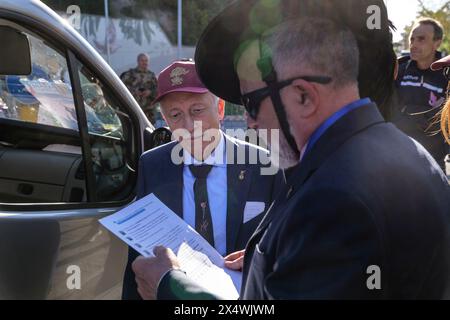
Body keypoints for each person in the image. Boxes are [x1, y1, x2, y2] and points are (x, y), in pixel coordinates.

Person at [130, 0, 450, 300]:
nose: (251, 124)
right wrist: (269, 258)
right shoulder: (384, 154)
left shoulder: (334, 200)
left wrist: (171, 287)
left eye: (252, 104)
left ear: (303, 97)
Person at [121, 60, 283, 300]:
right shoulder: (153, 165)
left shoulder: (263, 163)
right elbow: (140, 255)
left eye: (197, 110)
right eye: (175, 115)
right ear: (165, 120)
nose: (189, 126)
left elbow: (283, 248)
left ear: (220, 109)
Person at [393, 18, 449, 169]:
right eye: (412, 39)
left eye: (421, 39)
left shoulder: (446, 73)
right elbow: (389, 109)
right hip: (399, 157)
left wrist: (410, 112)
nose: (414, 44)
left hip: (433, 162)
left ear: (437, 42)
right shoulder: (400, 69)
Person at [120, 53, 158, 123]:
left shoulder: (152, 75)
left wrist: (150, 92)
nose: (144, 62)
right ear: (138, 61)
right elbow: (121, 88)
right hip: (133, 109)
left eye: (146, 61)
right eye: (142, 60)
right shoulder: (130, 74)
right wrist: (134, 91)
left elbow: (158, 90)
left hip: (148, 112)